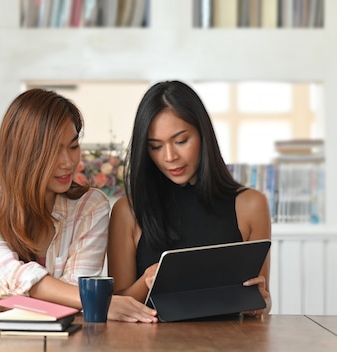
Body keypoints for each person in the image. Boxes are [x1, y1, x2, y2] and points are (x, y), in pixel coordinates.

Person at [0, 88, 157, 322]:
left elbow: (74, 295)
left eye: (73, 146)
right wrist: (93, 300)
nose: (68, 162)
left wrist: (2, 303)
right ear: (23, 153)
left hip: (63, 338)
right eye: (52, 151)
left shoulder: (90, 206)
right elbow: (12, 274)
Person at [108, 80, 272, 321]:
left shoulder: (252, 205)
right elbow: (118, 306)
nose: (170, 157)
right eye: (155, 147)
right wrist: (147, 280)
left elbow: (262, 301)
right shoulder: (128, 211)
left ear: (203, 134)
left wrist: (260, 302)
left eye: (181, 141)